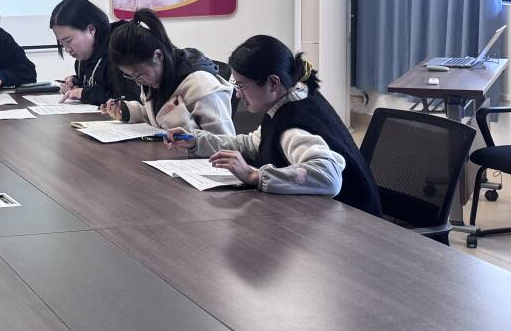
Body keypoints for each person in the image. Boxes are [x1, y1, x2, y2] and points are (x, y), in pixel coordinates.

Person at [164, 35, 382, 216]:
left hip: (354, 225)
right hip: (326, 216)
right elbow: (252, 145)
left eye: (242, 85)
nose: (237, 94)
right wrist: (196, 141)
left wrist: (255, 175)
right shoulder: (288, 100)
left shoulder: (294, 128)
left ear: (273, 82)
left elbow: (329, 176)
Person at [102, 8, 234, 134]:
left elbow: (225, 143)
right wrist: (127, 111)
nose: (138, 82)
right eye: (132, 77)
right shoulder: (157, 78)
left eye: (139, 75)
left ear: (158, 56)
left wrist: (180, 123)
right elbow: (158, 118)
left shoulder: (201, 86)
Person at [49, 0, 122, 106]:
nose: (67, 49)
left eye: (68, 40)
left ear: (91, 30)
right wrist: (76, 82)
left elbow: (124, 98)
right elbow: (98, 84)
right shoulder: (82, 58)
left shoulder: (119, 53)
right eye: (61, 43)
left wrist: (84, 93)